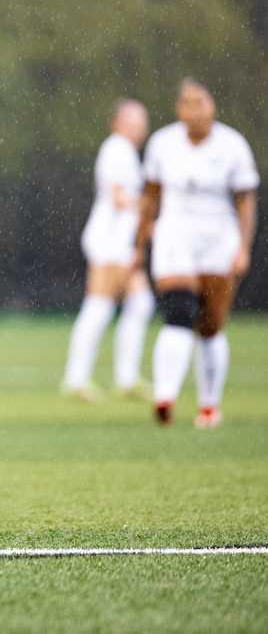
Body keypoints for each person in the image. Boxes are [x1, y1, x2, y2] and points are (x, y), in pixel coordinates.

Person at [135, 78, 258, 428]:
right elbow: (151, 196)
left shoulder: (233, 145)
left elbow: (245, 201)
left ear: (212, 106)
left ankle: (208, 404)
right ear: (179, 109)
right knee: (178, 311)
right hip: (175, 236)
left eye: (200, 102)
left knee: (210, 324)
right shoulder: (163, 143)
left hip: (219, 237)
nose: (194, 110)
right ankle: (165, 396)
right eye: (187, 103)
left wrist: (242, 247)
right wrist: (139, 242)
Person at [61, 100, 154, 401]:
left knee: (140, 303)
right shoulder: (116, 149)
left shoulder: (126, 152)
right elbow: (117, 198)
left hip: (121, 244)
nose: (142, 126)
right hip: (109, 243)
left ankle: (126, 378)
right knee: (98, 307)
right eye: (136, 120)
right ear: (118, 122)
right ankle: (76, 379)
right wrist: (151, 208)